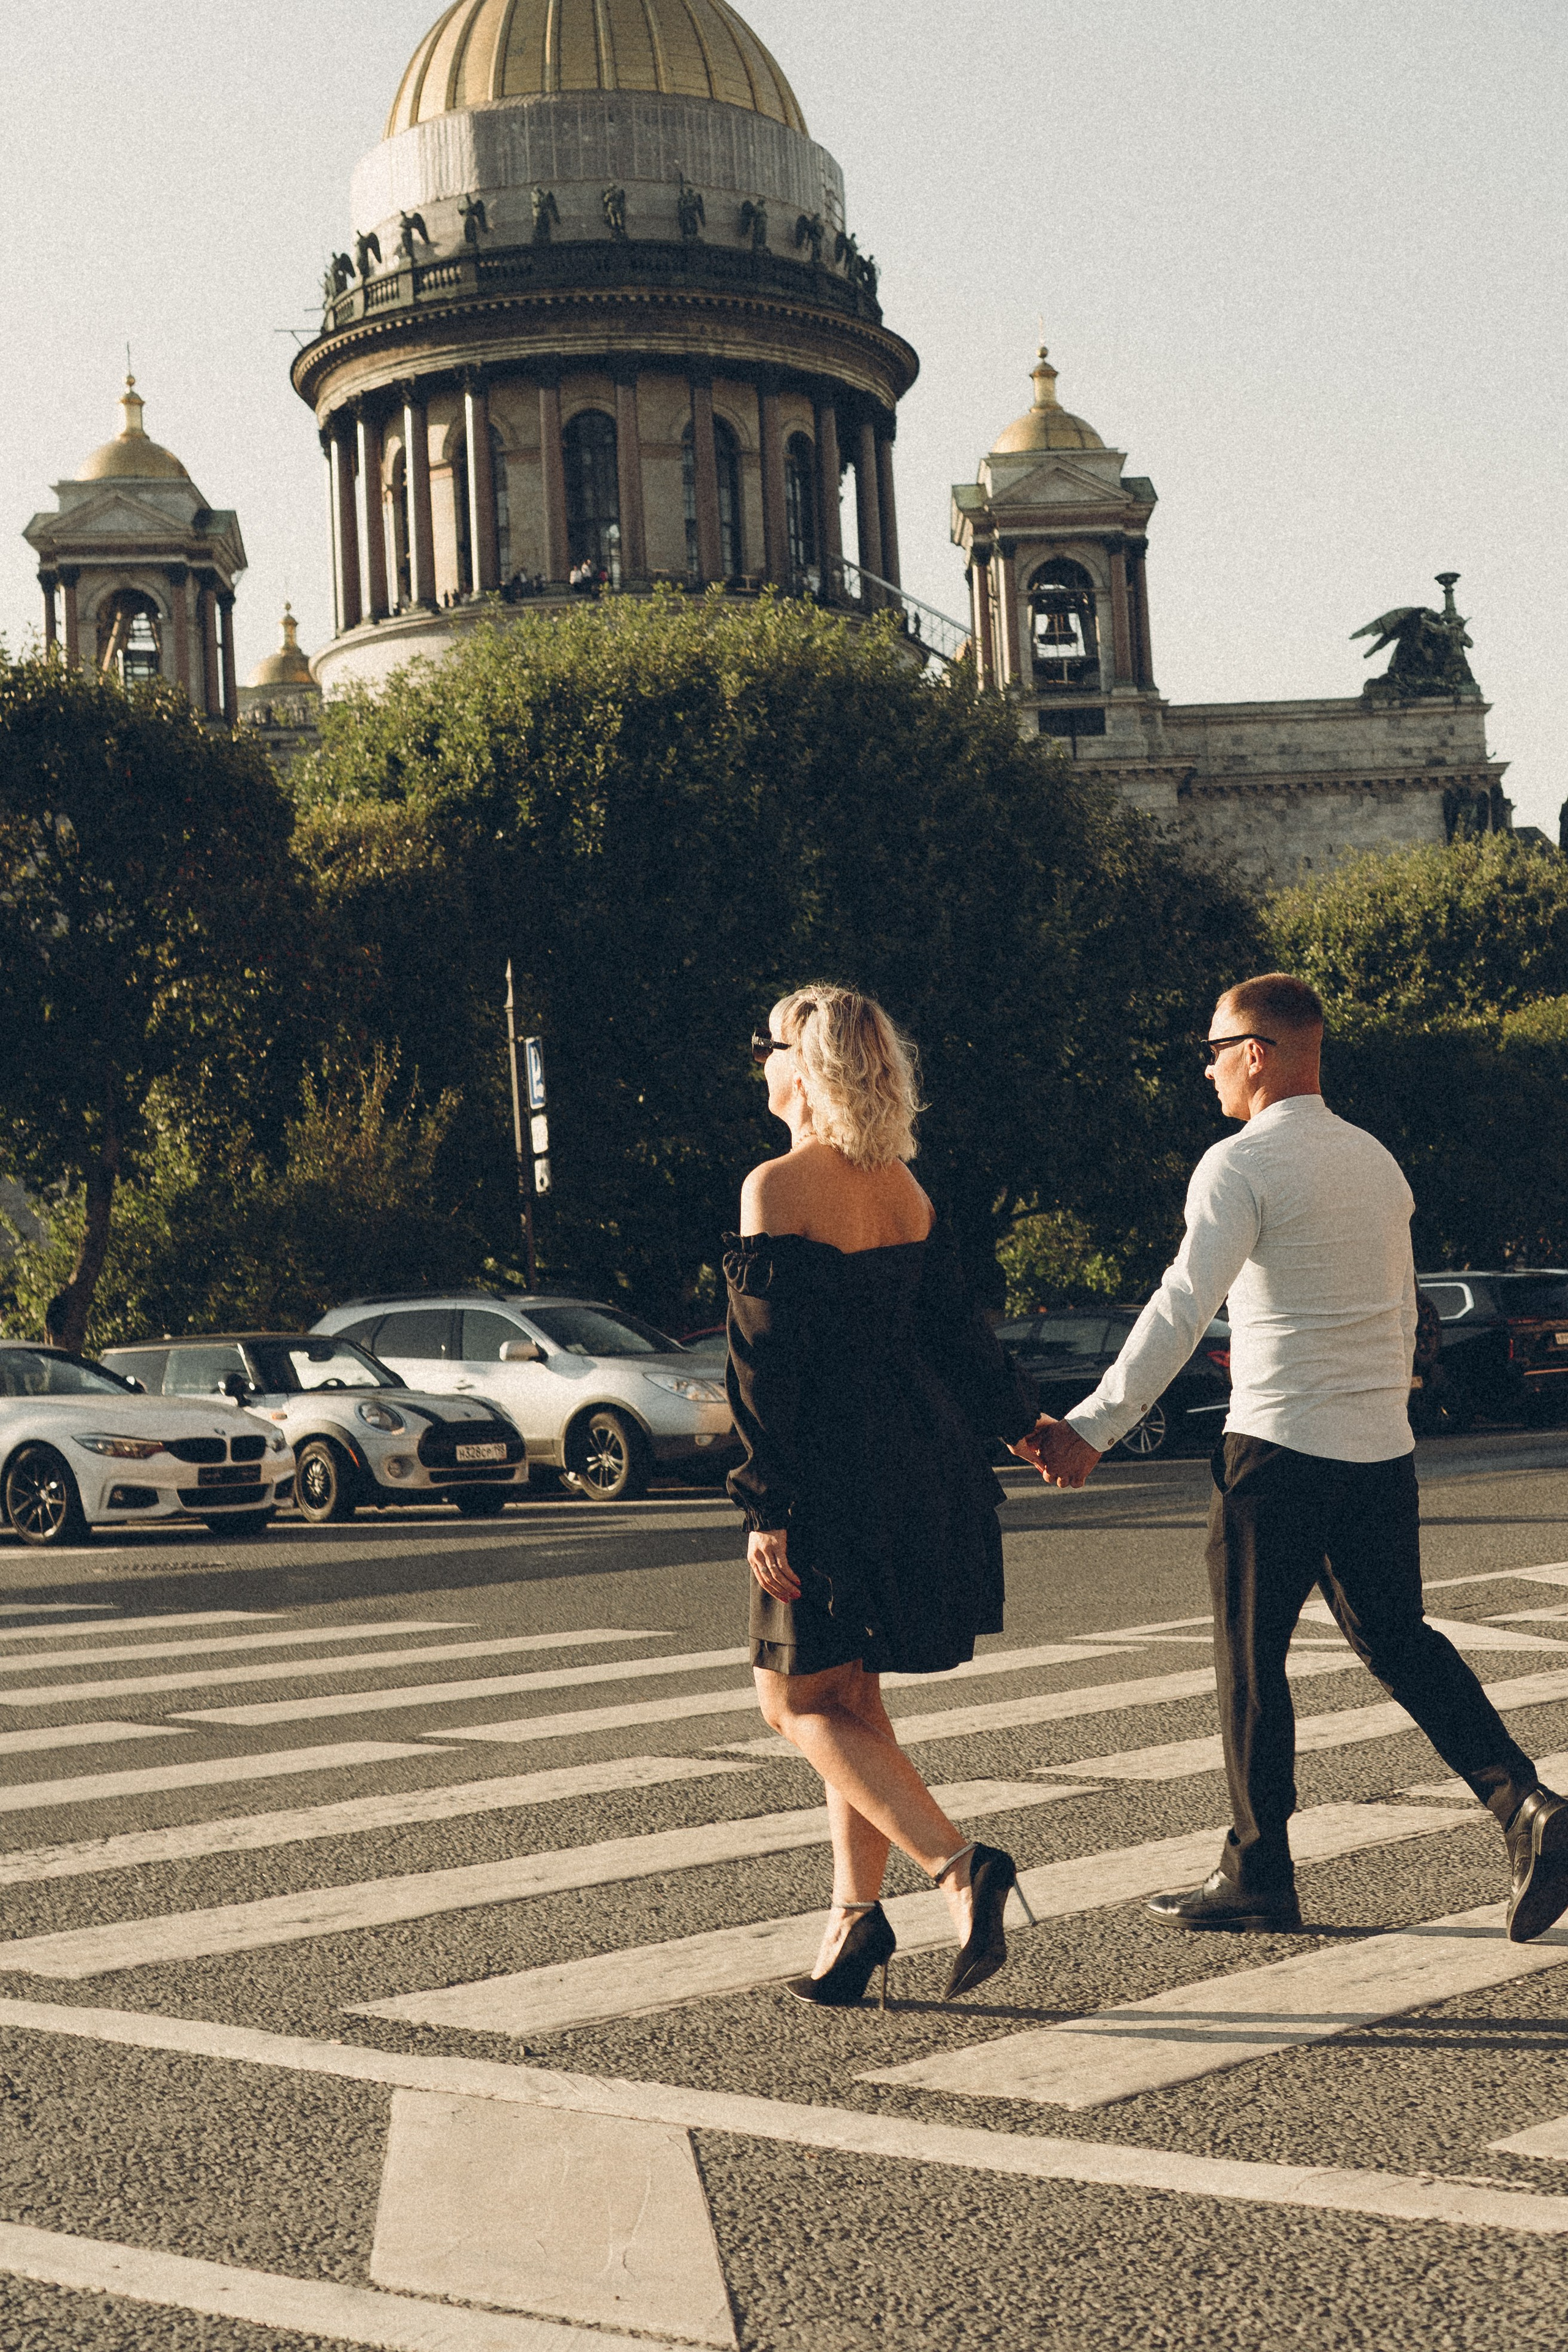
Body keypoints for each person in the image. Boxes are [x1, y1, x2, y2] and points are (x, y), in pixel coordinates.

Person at [1033, 972, 1568, 1940]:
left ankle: (1259, 1871)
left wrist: (1095, 1426)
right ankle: (1526, 1806)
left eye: (1212, 1050)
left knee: (1250, 1659)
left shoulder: (1239, 1165)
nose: (1205, 1070)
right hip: (1375, 1451)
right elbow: (1403, 1312)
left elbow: (1181, 1305)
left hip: (1276, 1447)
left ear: (1258, 1053)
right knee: (1400, 1641)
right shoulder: (1376, 1162)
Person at [726, 984, 1049, 2010]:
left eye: (769, 1047)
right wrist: (1024, 1424)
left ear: (806, 1064)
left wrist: (765, 1505)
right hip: (918, 1465)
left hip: (826, 1474)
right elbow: (958, 1337)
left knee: (790, 1703)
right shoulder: (904, 1191)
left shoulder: (777, 1186)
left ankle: (960, 1866)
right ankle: (852, 1926)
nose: (760, 1063)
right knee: (854, 1702)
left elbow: (765, 1370)